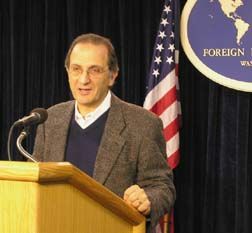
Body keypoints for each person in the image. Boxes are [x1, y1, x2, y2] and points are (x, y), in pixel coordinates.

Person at [33, 33, 175, 231]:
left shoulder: (142, 124)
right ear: (67, 71)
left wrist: (148, 199)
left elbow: (162, 187)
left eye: (94, 70)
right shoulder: (50, 119)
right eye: (76, 69)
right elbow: (34, 182)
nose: (83, 80)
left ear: (112, 75)